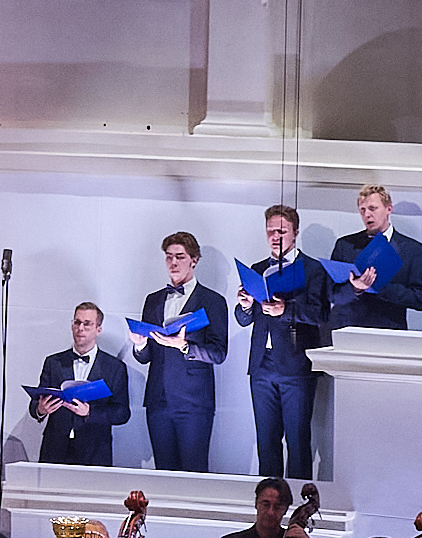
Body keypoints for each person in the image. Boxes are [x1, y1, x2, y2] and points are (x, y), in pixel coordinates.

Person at [233, 206, 325, 484]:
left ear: (295, 233)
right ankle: (268, 503)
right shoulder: (257, 269)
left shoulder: (313, 269)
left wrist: (286, 310)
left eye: (281, 231)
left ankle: (298, 503)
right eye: (271, 230)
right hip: (262, 366)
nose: (275, 236)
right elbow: (242, 319)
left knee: (297, 440)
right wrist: (245, 305)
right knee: (266, 439)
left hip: (296, 365)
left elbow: (320, 314)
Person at [126, 234, 226, 471]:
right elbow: (146, 356)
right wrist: (140, 344)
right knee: (164, 474)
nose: (173, 262)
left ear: (194, 260)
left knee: (193, 473)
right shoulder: (153, 300)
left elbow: (219, 353)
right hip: (158, 402)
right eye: (169, 257)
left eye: (179, 256)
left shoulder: (212, 301)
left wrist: (184, 346)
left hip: (194, 404)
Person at [24, 306, 126, 468]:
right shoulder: (53, 362)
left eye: (87, 324)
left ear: (98, 329)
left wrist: (90, 412)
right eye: (77, 323)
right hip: (55, 447)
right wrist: (41, 409)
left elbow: (122, 413)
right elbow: (35, 405)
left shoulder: (114, 367)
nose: (80, 329)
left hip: (94, 450)